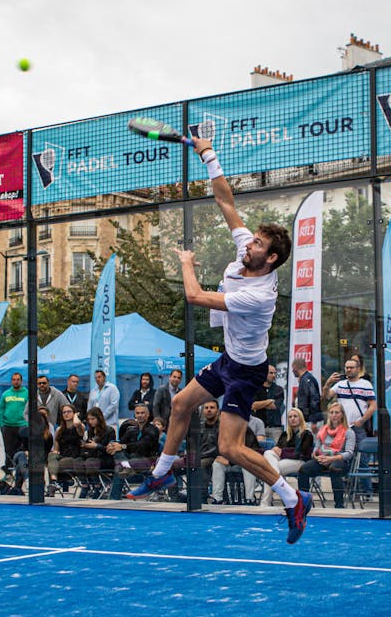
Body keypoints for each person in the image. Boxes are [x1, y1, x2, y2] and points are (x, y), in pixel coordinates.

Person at [126, 136, 307, 541]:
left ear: (271, 258)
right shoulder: (249, 254)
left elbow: (193, 296)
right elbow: (227, 202)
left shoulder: (257, 295)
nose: (250, 242)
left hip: (245, 373)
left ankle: (293, 499)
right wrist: (208, 153)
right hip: (229, 359)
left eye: (259, 242)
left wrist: (187, 263)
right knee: (179, 403)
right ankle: (160, 475)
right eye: (254, 238)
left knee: (230, 449)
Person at [296, 403, 355, 509]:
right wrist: (316, 456)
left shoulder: (349, 432)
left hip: (339, 460)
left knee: (334, 468)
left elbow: (349, 453)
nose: (334, 415)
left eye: (337, 412)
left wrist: (331, 458)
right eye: (331, 412)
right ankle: (303, 503)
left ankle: (339, 505)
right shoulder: (323, 430)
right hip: (323, 459)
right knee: (303, 469)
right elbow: (316, 449)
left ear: (342, 415)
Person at [260, 408, 313, 506]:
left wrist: (282, 452)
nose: (292, 419)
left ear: (300, 418)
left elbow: (301, 453)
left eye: (295, 416)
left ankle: (266, 502)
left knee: (270, 471)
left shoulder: (307, 434)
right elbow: (279, 447)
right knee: (268, 452)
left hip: (300, 462)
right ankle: (282, 495)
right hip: (284, 460)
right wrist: (275, 449)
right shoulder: (285, 434)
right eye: (290, 417)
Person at [108, 403, 160, 499]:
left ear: (148, 414)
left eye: (142, 413)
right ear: (134, 415)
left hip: (146, 461)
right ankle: (126, 467)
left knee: (120, 467)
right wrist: (112, 445)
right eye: (137, 413)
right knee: (118, 454)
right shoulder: (131, 430)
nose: (140, 415)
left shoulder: (153, 430)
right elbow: (122, 442)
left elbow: (142, 446)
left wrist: (123, 446)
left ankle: (113, 497)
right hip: (130, 460)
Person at [324, 358, 377, 440]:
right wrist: (328, 383)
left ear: (358, 369)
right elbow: (327, 396)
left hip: (357, 426)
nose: (348, 370)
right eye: (347, 367)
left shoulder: (365, 384)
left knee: (361, 449)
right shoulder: (340, 384)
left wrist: (361, 421)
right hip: (341, 425)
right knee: (342, 450)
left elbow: (373, 406)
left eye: (351, 367)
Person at [47, 404, 84, 488]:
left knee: (55, 464)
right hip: (63, 455)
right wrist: (54, 454)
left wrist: (75, 416)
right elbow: (56, 449)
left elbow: (77, 423)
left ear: (74, 413)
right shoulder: (59, 430)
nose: (66, 414)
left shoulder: (79, 427)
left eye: (69, 412)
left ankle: (58, 482)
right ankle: (54, 482)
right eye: (64, 412)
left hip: (75, 457)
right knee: (51, 456)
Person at [0, 373, 28, 470]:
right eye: (14, 379)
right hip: (8, 426)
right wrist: (1, 424)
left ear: (21, 381)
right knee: (9, 450)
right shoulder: (6, 394)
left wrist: (28, 424)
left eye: (18, 379)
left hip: (22, 425)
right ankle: (9, 471)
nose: (16, 381)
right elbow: (1, 409)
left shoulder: (27, 393)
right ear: (11, 381)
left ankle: (22, 469)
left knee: (23, 450)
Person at [79, 407, 117, 485]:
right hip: (92, 456)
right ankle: (85, 485)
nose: (90, 421)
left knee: (90, 462)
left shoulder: (109, 431)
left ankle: (97, 486)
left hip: (106, 459)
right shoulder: (90, 431)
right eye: (89, 419)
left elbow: (110, 450)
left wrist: (97, 446)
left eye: (93, 419)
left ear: (99, 418)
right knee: (78, 461)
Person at [251, 365, 284, 441]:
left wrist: (260, 404)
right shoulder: (256, 389)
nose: (274, 375)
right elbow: (253, 405)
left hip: (275, 427)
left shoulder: (279, 389)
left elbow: (275, 406)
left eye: (275, 373)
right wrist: (269, 401)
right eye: (271, 373)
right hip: (260, 427)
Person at [291, 358, 322, 427]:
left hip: (310, 420)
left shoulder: (307, 380)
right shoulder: (305, 379)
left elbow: (314, 399)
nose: (292, 370)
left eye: (293, 368)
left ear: (296, 367)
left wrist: (314, 421)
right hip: (307, 419)